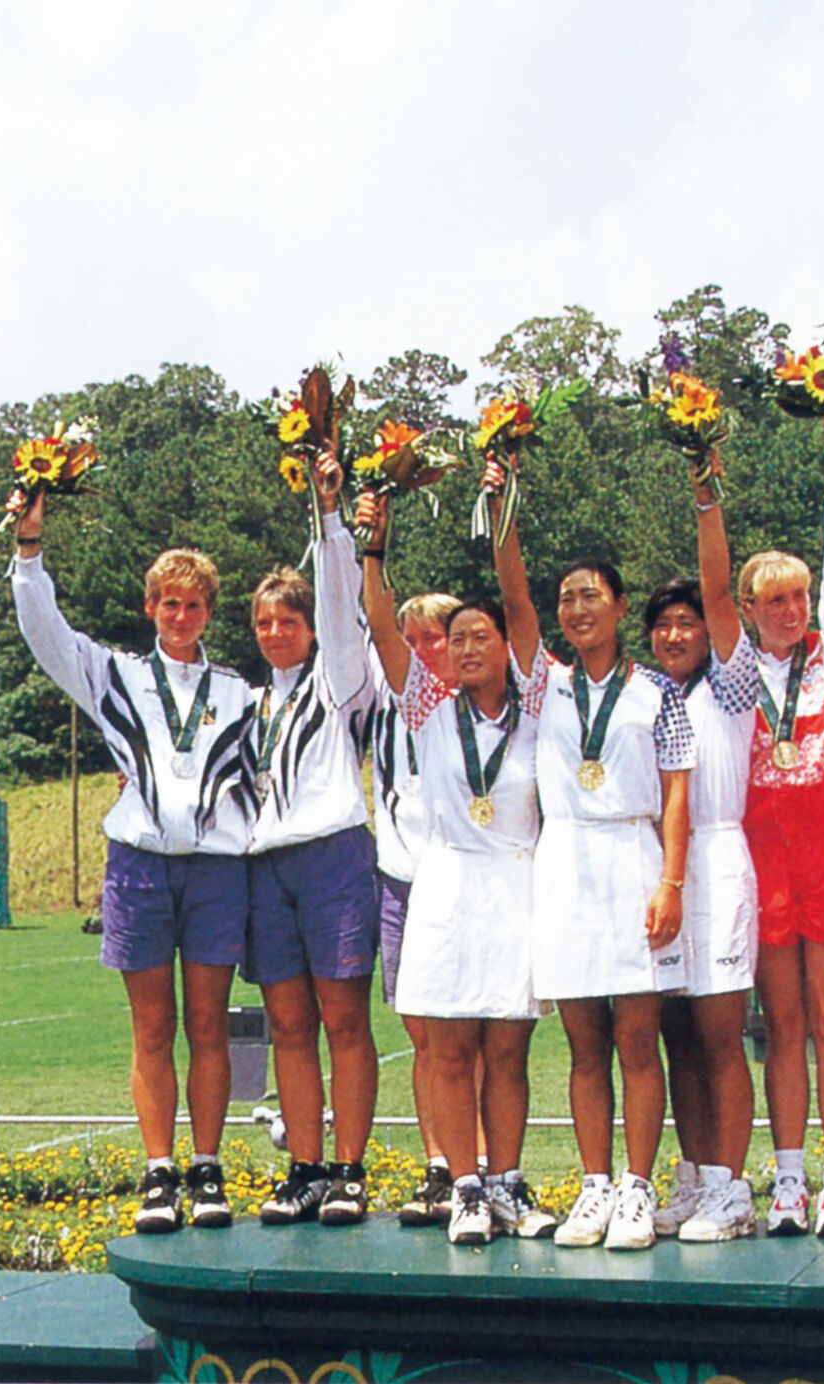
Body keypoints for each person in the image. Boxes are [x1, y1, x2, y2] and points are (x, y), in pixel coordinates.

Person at [10, 492, 254, 1233]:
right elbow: (45, 632)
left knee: (209, 1023)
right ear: (150, 608)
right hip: (140, 867)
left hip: (215, 870)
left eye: (194, 605)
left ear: (209, 613)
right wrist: (27, 552)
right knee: (152, 1026)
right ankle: (158, 1171)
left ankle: (206, 1168)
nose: (181, 616)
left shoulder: (239, 694)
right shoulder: (114, 675)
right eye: (169, 603)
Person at [489, 460, 695, 1251]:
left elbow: (678, 794)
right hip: (565, 864)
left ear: (618, 607)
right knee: (584, 1045)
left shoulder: (659, 694)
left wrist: (671, 881)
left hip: (635, 860)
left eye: (591, 596)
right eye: (566, 597)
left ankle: (639, 1190)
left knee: (638, 1042)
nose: (576, 609)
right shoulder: (545, 686)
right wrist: (501, 505)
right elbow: (512, 598)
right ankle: (596, 1186)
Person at [358, 489, 553, 1246]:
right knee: (446, 1048)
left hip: (512, 886)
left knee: (506, 1049)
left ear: (507, 645)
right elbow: (380, 622)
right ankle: (464, 1187)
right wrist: (375, 545)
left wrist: (503, 504)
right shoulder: (425, 706)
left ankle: (506, 1183)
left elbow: (520, 598)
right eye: (458, 638)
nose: (469, 648)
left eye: (482, 636)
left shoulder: (538, 708)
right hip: (443, 886)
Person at [734, 411, 824, 1236]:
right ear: (751, 609)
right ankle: (788, 1178)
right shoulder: (737, 670)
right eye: (774, 600)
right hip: (762, 867)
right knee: (780, 1025)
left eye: (798, 598)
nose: (792, 610)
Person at [248, 452, 379, 1225]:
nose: (275, 633)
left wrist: (328, 519)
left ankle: (351, 1169)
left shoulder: (338, 680)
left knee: (343, 1020)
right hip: (268, 868)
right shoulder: (251, 705)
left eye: (288, 621)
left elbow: (340, 605)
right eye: (263, 623)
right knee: (289, 1025)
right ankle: (303, 1166)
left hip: (332, 854)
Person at [358, 504, 467, 1227]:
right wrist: (372, 541)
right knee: (424, 1033)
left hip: (470, 881)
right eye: (416, 638)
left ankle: (481, 1163)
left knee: (479, 1032)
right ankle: (439, 1163)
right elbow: (368, 609)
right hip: (401, 881)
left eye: (440, 638)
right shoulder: (395, 703)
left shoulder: (484, 702)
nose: (426, 649)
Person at [644, 571, 758, 1242]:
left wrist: (704, 492)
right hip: (659, 869)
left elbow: (719, 592)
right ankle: (694, 1177)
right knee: (677, 1037)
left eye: (687, 623)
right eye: (663, 626)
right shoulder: (647, 695)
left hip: (715, 865)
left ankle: (731, 1187)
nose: (676, 635)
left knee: (719, 1037)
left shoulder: (732, 688)